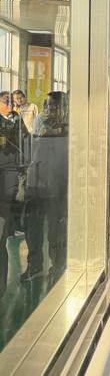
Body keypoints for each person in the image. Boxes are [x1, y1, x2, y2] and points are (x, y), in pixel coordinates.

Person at [23, 91, 69, 283]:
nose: (51, 109)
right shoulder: (40, 122)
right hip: (36, 180)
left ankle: (57, 265)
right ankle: (34, 265)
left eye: (56, 106)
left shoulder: (68, 128)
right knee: (32, 226)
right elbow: (31, 149)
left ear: (64, 107)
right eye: (49, 105)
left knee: (55, 227)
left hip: (56, 184)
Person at [0, 91, 30, 295]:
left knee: (6, 206)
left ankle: (6, 229)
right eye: (5, 101)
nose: (9, 104)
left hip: (10, 168)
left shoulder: (16, 119)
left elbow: (25, 139)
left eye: (11, 101)